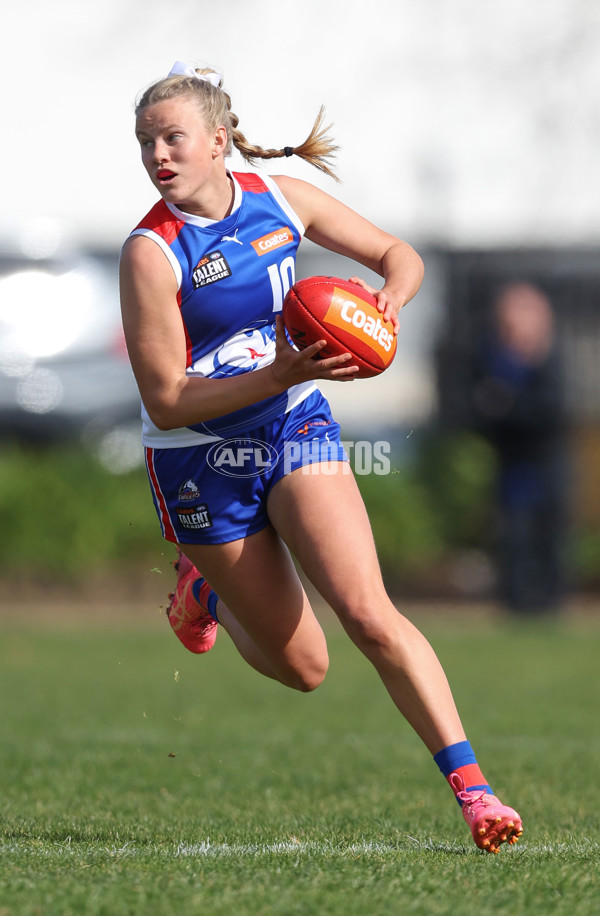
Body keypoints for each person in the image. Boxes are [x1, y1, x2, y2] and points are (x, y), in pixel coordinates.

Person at [120, 59, 523, 853]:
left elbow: (399, 256)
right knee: (305, 668)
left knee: (371, 614)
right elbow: (166, 397)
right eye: (145, 142)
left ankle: (474, 790)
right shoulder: (150, 252)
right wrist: (278, 369)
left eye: (172, 138)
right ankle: (205, 589)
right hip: (199, 458)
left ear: (219, 141)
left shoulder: (281, 202)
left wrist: (385, 305)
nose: (157, 155)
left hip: (293, 422)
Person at [469, 282, 568, 614]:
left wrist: (508, 405)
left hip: (546, 460)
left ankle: (550, 603)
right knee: (514, 532)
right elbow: (481, 408)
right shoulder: (491, 356)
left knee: (549, 532)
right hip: (512, 461)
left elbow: (551, 410)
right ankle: (515, 601)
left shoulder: (550, 357)